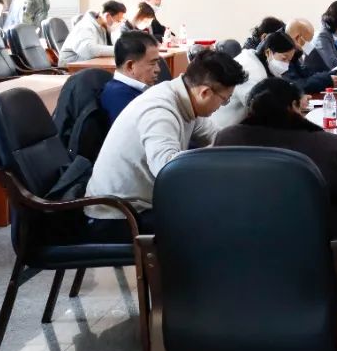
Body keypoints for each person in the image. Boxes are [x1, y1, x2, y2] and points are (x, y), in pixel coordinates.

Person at [215, 77, 337, 351]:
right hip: (315, 268)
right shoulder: (326, 146)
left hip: (237, 265)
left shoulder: (227, 140)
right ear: (295, 106)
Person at [84, 50, 247, 241]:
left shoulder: (187, 99)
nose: (223, 105)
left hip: (143, 205)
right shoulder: (160, 109)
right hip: (118, 216)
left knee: (222, 209)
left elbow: (217, 138)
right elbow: (167, 170)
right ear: (205, 92)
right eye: (225, 100)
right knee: (215, 225)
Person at [210, 30, 299, 129]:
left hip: (236, 125)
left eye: (289, 61)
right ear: (268, 52)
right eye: (284, 59)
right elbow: (260, 108)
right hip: (222, 128)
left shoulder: (257, 58)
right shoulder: (252, 70)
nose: (286, 65)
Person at [100, 30, 162, 124]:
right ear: (130, 66)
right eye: (152, 63)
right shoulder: (120, 98)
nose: (158, 69)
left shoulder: (137, 90)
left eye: (158, 63)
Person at [58, 0, 127, 66]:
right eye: (118, 21)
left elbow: (104, 49)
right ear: (107, 16)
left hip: (86, 63)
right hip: (70, 67)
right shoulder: (86, 26)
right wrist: (119, 50)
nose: (118, 24)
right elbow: (89, 50)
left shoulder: (102, 27)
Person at [285, 18, 337, 93]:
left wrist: (333, 74)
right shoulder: (283, 53)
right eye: (307, 41)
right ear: (298, 38)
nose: (308, 46)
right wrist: (327, 80)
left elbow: (307, 73)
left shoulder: (293, 48)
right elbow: (298, 84)